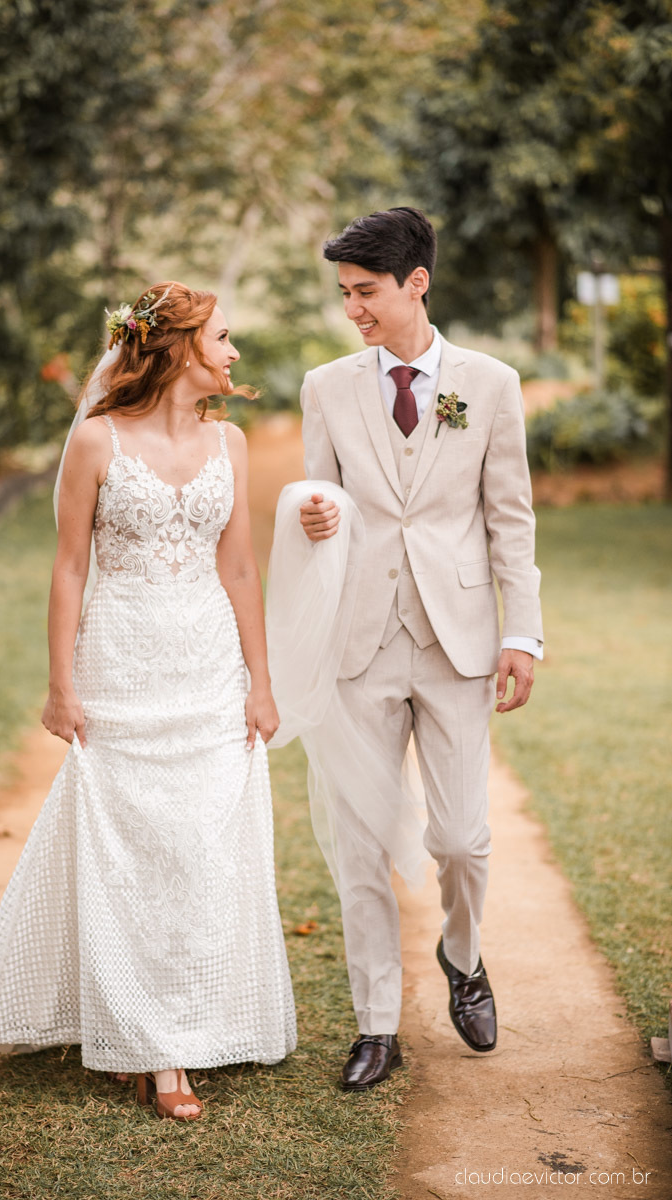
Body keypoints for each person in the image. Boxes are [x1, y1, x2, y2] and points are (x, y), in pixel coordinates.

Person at [0, 282, 297, 1120]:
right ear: (175, 345)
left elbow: (240, 567)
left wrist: (261, 679)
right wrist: (60, 682)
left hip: (208, 664)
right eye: (222, 336)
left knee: (201, 847)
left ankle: (190, 1016)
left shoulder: (233, 444)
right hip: (122, 660)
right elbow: (70, 566)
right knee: (127, 848)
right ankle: (150, 1045)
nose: (234, 351)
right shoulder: (98, 442)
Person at [297, 207, 543, 1091]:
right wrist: (313, 513)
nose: (352, 310)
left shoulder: (490, 382)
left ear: (416, 283)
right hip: (357, 643)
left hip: (458, 642)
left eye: (365, 293)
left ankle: (462, 957)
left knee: (463, 840)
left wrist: (521, 630)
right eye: (344, 295)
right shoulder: (324, 386)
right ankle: (375, 1027)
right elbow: (312, 500)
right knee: (359, 845)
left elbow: (508, 517)